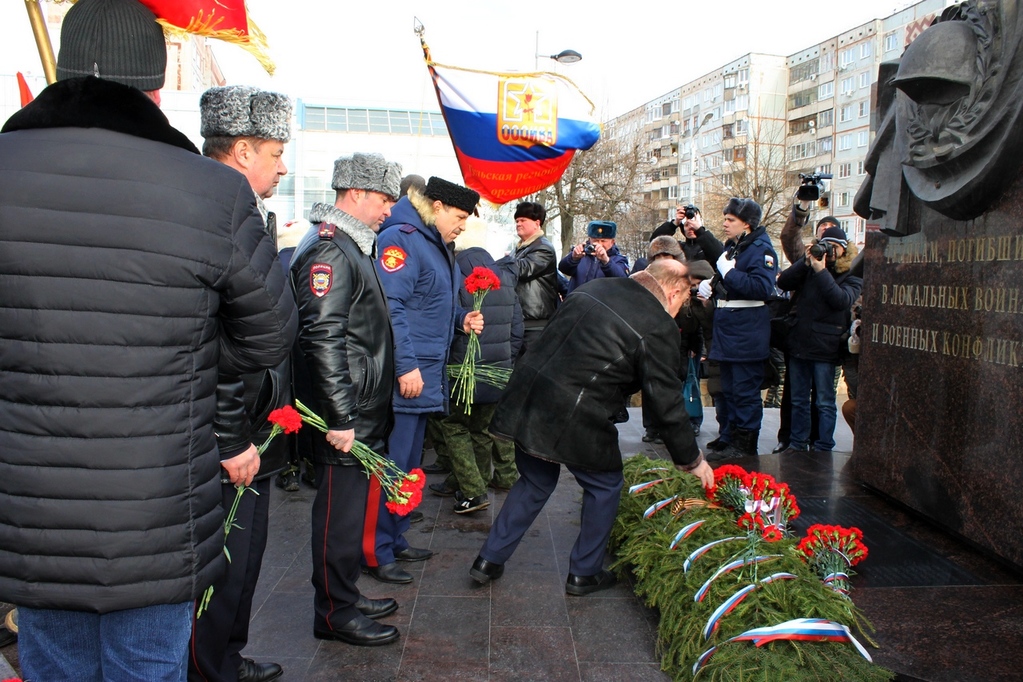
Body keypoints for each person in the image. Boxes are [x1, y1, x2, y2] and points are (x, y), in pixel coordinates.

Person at [0, 1, 298, 679]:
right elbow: (270, 331)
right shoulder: (208, 189)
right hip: (156, 500)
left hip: (33, 503)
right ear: (153, 80)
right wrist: (182, 358)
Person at [469, 260, 714, 592]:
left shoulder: (593, 288)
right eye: (682, 301)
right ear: (673, 292)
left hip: (529, 391)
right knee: (605, 485)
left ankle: (488, 559)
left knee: (535, 481)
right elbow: (665, 400)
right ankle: (584, 572)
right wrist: (691, 460)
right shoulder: (657, 324)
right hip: (578, 409)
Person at [191, 84, 294, 682]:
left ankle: (225, 658)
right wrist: (231, 436)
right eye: (275, 153)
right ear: (243, 150)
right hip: (226, 435)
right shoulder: (213, 210)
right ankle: (207, 667)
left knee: (245, 561)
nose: (283, 166)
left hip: (252, 427)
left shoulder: (246, 210)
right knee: (221, 562)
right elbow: (221, 340)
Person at [290, 152, 404, 646]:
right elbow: (323, 337)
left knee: (350, 514)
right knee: (339, 518)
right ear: (355, 193)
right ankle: (335, 612)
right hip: (346, 416)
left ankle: (345, 594)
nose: (388, 211)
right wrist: (340, 417)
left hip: (357, 408)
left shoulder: (351, 246)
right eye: (383, 199)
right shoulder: (332, 250)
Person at [367, 177, 484, 584]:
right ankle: (376, 551)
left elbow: (429, 304)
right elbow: (392, 306)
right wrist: (405, 365)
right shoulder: (402, 238)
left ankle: (395, 537)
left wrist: (461, 319)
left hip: (425, 372)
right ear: (436, 206)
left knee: (409, 465)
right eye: (460, 216)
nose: (463, 225)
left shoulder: (435, 244)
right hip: (410, 375)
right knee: (393, 465)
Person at [430, 246, 523, 513]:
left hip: (462, 372)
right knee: (482, 430)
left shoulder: (455, 277)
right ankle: (477, 482)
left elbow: (446, 323)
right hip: (498, 371)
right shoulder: (505, 279)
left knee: (454, 426)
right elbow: (517, 328)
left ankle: (472, 489)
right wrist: (505, 359)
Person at [698, 198, 778, 460]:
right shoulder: (736, 248)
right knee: (730, 389)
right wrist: (712, 285)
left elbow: (761, 288)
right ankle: (729, 437)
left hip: (746, 332)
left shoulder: (761, 249)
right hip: (730, 330)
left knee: (744, 391)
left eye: (730, 220)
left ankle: (745, 444)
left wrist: (728, 274)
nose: (725, 223)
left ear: (747, 223)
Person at [776, 225, 862, 453]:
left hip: (826, 347)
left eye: (833, 247)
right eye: (825, 246)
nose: (828, 252)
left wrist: (821, 271)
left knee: (824, 401)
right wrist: (804, 262)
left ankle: (823, 445)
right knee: (798, 399)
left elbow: (841, 300)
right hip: (800, 343)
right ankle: (797, 442)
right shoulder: (808, 267)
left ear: (845, 250)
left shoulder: (852, 274)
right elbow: (783, 282)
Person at [498, 201, 559, 356]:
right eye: (517, 221)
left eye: (523, 220)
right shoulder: (518, 249)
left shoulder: (544, 248)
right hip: (520, 321)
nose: (518, 224)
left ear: (537, 223)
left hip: (535, 324)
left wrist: (502, 262)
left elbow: (523, 269)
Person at [558, 220, 630, 294]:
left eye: (603, 241)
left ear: (612, 242)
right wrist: (573, 258)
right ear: (590, 239)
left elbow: (622, 281)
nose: (599, 244)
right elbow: (563, 269)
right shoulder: (581, 253)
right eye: (596, 240)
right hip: (577, 303)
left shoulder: (619, 259)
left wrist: (606, 262)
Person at [651, 204, 718, 263]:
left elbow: (718, 255)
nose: (691, 228)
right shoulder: (678, 248)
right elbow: (655, 242)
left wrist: (700, 231)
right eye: (687, 225)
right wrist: (674, 224)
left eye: (694, 225)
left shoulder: (709, 247)